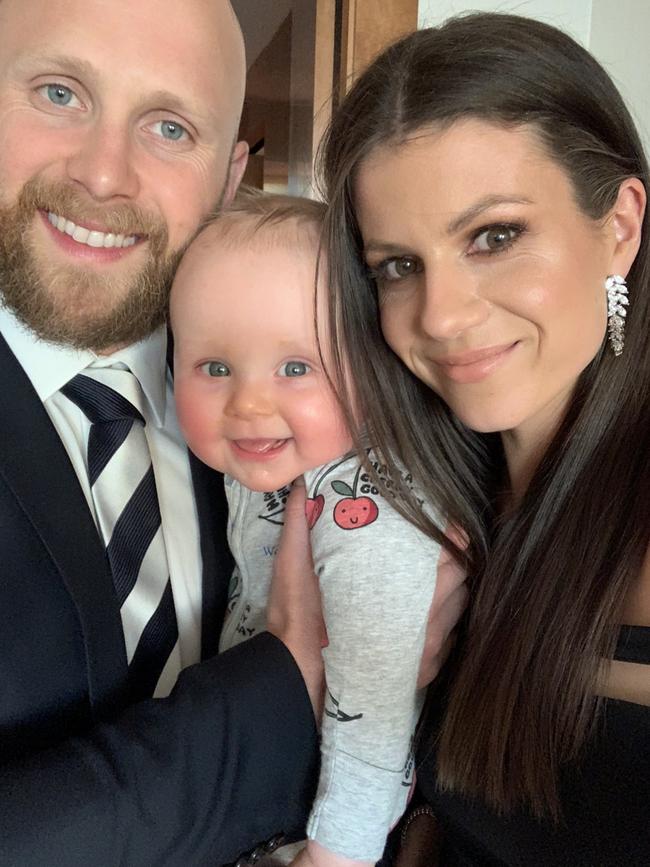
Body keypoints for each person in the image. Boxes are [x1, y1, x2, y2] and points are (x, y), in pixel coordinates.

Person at [318, 12, 650, 866]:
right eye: (398, 265)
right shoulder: (417, 500)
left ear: (620, 225)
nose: (440, 315)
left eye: (494, 237)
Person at [0, 2, 323, 864]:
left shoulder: (295, 402)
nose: (105, 174)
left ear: (229, 179)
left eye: (170, 126)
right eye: (60, 93)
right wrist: (289, 688)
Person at [170, 191, 466, 867]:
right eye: (214, 368)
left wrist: (335, 856)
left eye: (296, 367)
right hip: (270, 782)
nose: (247, 402)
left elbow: (375, 716)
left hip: (333, 821)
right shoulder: (280, 455)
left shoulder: (362, 500)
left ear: (366, 369)